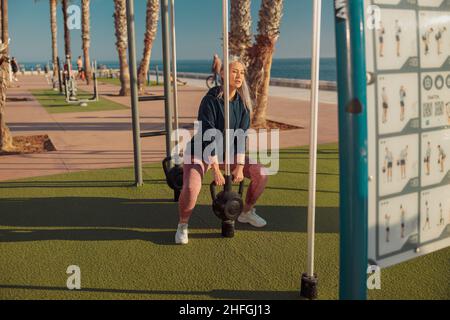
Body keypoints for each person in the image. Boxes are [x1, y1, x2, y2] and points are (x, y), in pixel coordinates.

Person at [175, 58, 268, 245]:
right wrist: (216, 168)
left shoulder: (242, 105)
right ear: (223, 74)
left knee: (261, 173)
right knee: (192, 187)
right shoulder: (210, 100)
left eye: (242, 72)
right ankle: (182, 225)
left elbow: (242, 137)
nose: (239, 76)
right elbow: (207, 135)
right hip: (202, 151)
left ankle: (247, 212)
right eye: (235, 71)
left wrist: (240, 166)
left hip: (229, 153)